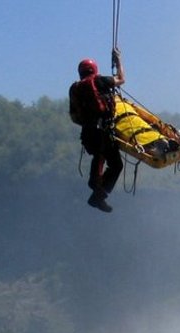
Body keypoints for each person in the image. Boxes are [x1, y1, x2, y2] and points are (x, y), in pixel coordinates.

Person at [69, 48, 126, 212]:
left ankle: (97, 193)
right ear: (94, 70)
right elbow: (122, 79)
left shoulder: (75, 89)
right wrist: (118, 60)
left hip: (87, 133)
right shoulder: (99, 82)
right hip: (103, 131)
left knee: (99, 156)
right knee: (115, 164)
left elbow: (74, 116)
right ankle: (97, 189)